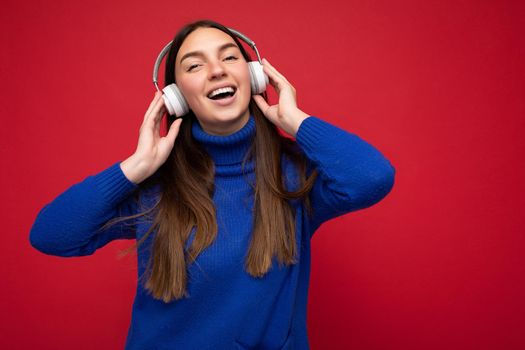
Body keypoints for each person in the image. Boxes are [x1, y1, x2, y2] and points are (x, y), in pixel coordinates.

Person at [29, 19, 396, 350]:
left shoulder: (294, 177)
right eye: (195, 65)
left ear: (253, 74)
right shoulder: (156, 188)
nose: (217, 70)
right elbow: (50, 235)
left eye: (229, 58)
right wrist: (136, 166)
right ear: (176, 97)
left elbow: (372, 178)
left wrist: (294, 119)